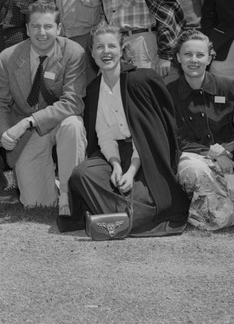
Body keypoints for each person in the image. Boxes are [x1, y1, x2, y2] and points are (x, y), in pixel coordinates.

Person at [66, 23, 189, 236]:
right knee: (82, 175)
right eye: (99, 47)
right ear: (92, 53)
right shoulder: (94, 90)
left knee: (152, 203)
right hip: (115, 155)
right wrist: (115, 166)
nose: (106, 52)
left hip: (146, 157)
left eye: (112, 46)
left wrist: (131, 172)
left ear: (121, 50)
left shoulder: (141, 79)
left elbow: (148, 135)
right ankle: (124, 217)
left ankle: (112, 217)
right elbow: (103, 135)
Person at [0, 1, 87, 218]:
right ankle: (54, 184)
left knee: (73, 125)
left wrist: (28, 121)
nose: (42, 32)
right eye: (36, 26)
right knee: (36, 204)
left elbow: (73, 102)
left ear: (59, 29)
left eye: (48, 26)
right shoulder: (6, 59)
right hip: (28, 134)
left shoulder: (73, 52)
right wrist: (3, 132)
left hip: (59, 122)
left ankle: (71, 196)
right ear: (27, 29)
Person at [167, 30, 234, 231]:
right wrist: (213, 154)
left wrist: (226, 152)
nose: (194, 60)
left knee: (227, 212)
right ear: (178, 57)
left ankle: (211, 207)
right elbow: (177, 137)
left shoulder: (228, 87)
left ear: (210, 58)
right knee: (194, 170)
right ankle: (213, 208)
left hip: (230, 160)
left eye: (200, 55)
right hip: (195, 159)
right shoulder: (169, 92)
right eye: (187, 54)